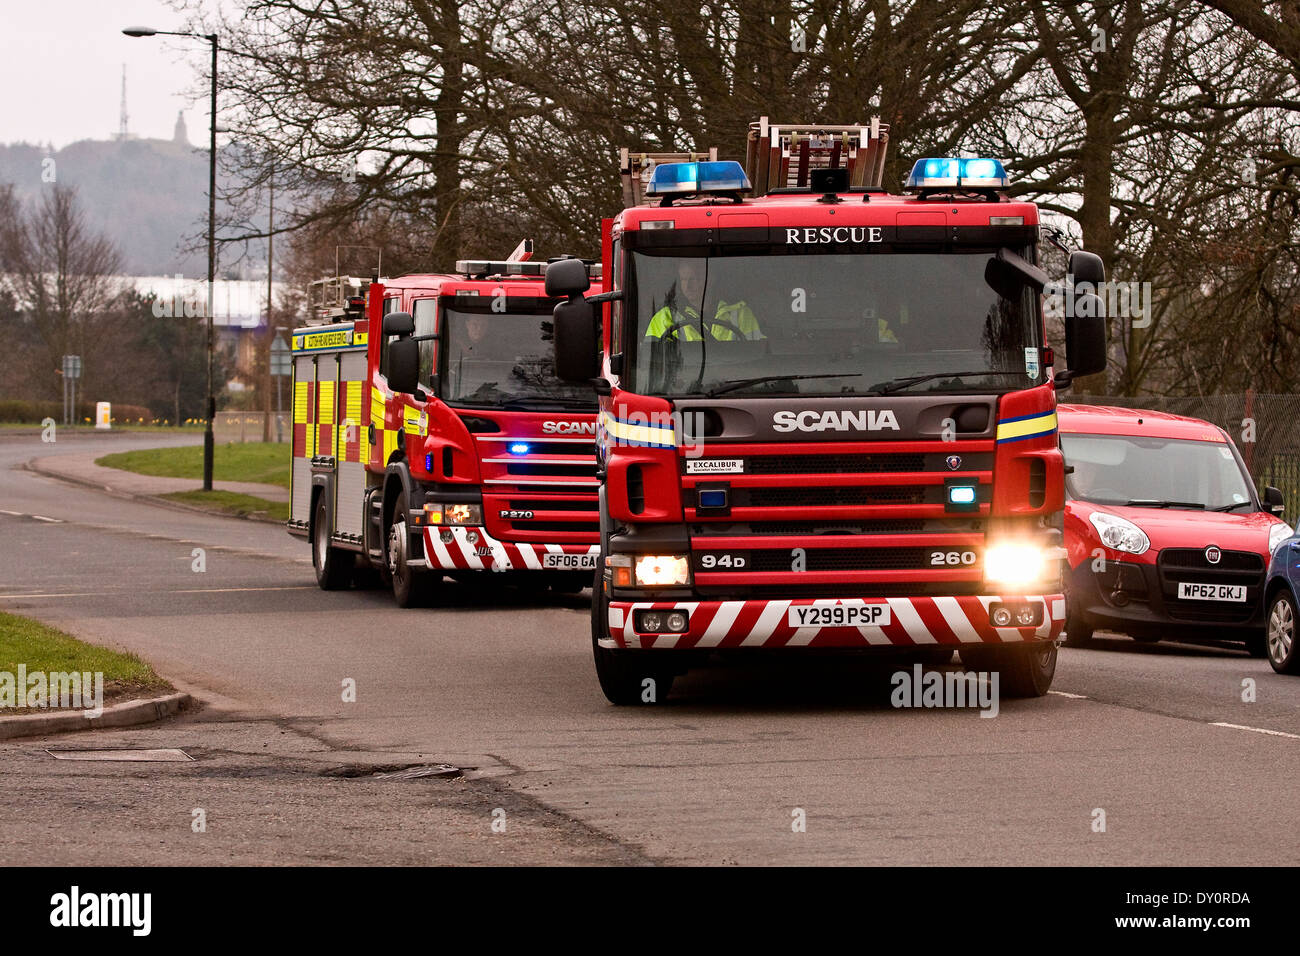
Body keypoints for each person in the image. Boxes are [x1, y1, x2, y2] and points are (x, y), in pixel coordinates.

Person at [644, 259, 763, 342]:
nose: (688, 286)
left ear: (711, 279)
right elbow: (652, 363)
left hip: (738, 378)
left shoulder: (740, 314)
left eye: (694, 279)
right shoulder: (665, 318)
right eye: (684, 279)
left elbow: (759, 356)